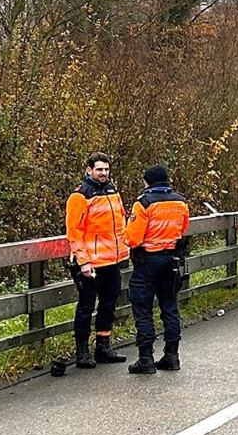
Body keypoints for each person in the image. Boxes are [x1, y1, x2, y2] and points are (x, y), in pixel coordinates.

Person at [60, 152, 129, 373]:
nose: (104, 173)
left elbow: (121, 223)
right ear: (89, 170)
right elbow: (74, 233)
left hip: (112, 260)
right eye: (100, 169)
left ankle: (103, 346)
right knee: (86, 307)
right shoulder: (80, 196)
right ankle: (82, 350)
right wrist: (83, 262)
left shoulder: (113, 192)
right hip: (90, 262)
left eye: (107, 170)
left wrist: (125, 250)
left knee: (109, 304)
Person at [126, 164, 191, 374]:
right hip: (171, 259)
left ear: (147, 182)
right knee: (169, 306)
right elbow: (183, 229)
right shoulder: (180, 201)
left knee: (143, 308)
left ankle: (146, 359)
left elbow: (133, 238)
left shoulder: (144, 203)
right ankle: (172, 356)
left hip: (147, 261)